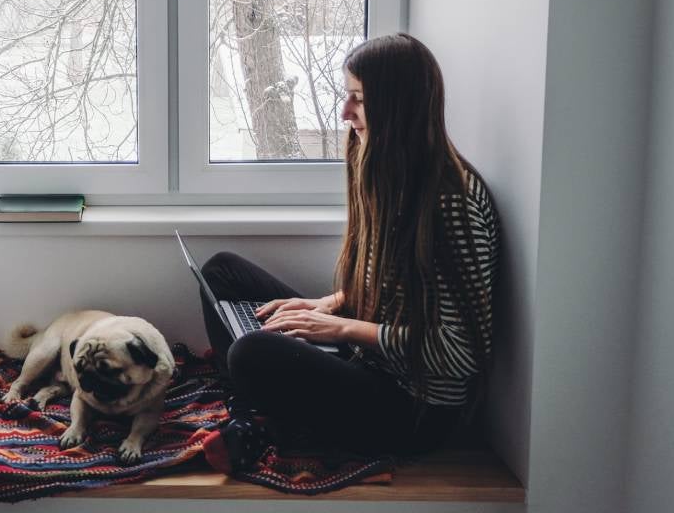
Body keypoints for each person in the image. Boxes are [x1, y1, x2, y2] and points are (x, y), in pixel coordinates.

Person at [198, 33, 501, 473]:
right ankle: (257, 408)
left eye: (357, 99)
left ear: (396, 105)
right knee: (221, 273)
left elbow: (459, 353)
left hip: (413, 409)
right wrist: (328, 305)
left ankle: (255, 419)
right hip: (371, 363)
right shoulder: (393, 174)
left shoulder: (450, 204)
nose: (344, 113)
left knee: (250, 353)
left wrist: (340, 329)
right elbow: (390, 287)